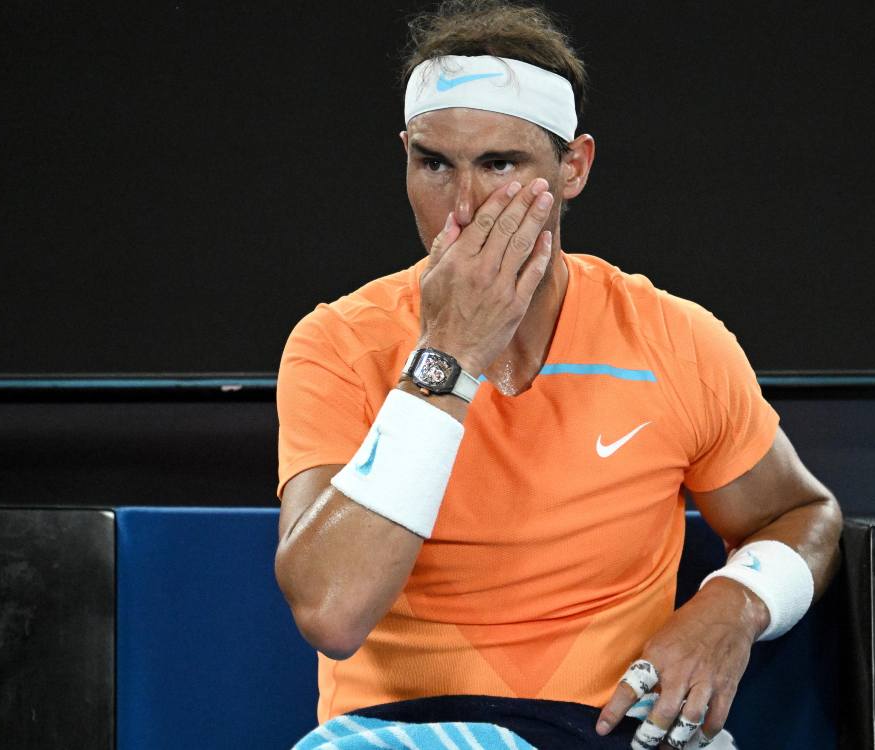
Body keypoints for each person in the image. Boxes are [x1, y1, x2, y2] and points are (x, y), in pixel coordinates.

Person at [274, 1, 842, 747]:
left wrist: (733, 605)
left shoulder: (676, 339)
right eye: (434, 163)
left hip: (611, 729)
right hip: (402, 732)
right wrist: (451, 355)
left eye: (501, 164)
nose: (467, 206)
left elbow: (802, 515)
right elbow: (332, 611)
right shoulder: (338, 343)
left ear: (573, 167)